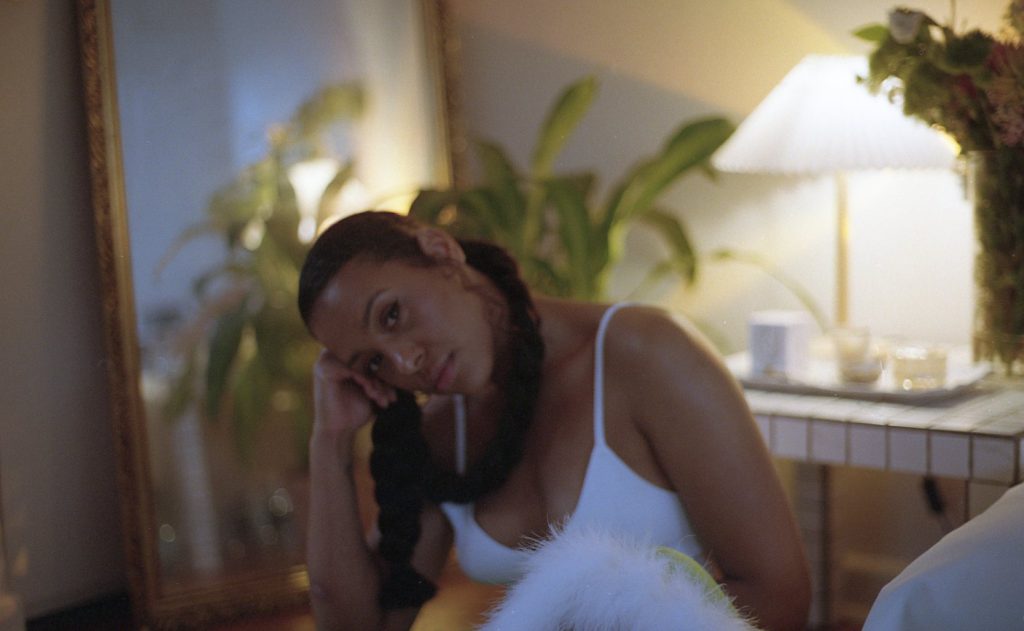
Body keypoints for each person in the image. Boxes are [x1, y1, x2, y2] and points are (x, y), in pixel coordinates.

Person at [298, 210, 811, 631]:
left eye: (392, 314)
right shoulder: (442, 434)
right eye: (373, 362)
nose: (405, 361)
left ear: (440, 250)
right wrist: (329, 441)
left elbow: (780, 598)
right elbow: (364, 625)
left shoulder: (644, 353)